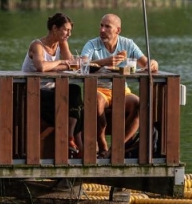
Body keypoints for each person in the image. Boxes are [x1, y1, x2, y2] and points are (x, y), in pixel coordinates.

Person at [80, 13, 159, 153]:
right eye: (101, 25)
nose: (102, 30)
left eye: (107, 27)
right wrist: (104, 62)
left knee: (139, 103)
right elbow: (82, 64)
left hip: (121, 90)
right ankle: (103, 145)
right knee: (96, 101)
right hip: (99, 89)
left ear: (118, 30)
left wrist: (152, 64)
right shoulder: (92, 44)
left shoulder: (127, 44)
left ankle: (117, 147)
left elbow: (147, 63)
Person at [22, 12, 84, 155]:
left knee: (75, 93)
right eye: (66, 30)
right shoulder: (37, 45)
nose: (69, 34)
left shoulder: (62, 44)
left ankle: (71, 139)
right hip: (33, 92)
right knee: (75, 107)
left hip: (52, 91)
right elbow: (41, 67)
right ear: (55, 28)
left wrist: (62, 64)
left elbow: (73, 64)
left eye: (70, 31)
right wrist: (62, 62)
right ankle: (78, 148)